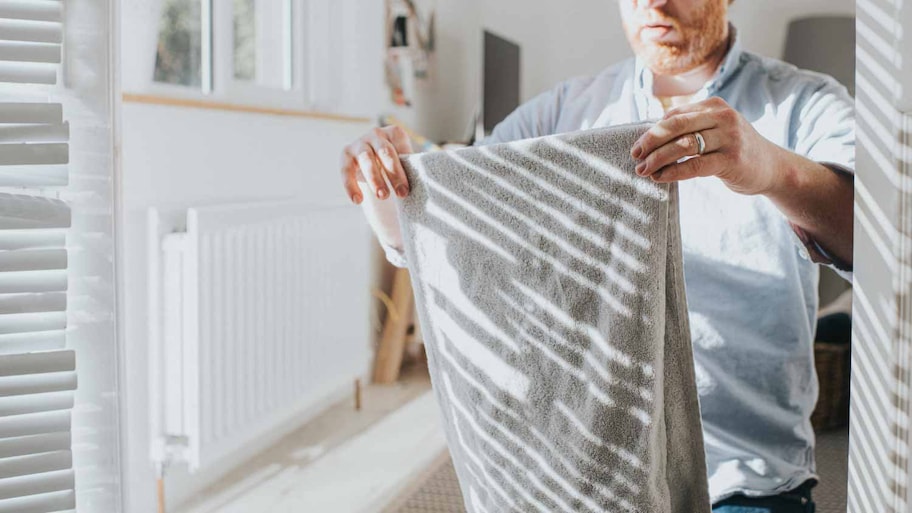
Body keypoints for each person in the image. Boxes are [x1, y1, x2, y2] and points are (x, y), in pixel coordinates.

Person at [338, 0, 854, 511]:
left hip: (745, 476)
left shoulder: (804, 102)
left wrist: (768, 167)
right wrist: (393, 191)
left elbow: (870, 237)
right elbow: (464, 227)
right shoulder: (564, 111)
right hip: (588, 468)